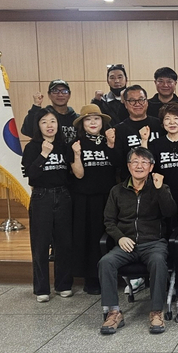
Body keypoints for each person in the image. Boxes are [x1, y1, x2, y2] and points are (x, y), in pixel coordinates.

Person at [99, 147, 177, 335]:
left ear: (151, 167)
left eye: (144, 162)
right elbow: (109, 221)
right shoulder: (117, 191)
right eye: (135, 162)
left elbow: (170, 213)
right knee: (106, 262)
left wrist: (160, 190)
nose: (139, 166)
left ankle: (156, 311)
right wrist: (120, 237)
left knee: (158, 261)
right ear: (128, 166)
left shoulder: (160, 187)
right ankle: (113, 312)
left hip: (153, 243)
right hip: (126, 244)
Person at [21, 108, 73, 302]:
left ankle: (63, 285)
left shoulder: (64, 145)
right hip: (41, 196)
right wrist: (44, 154)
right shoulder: (32, 147)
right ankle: (42, 288)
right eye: (44, 122)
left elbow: (70, 173)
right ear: (38, 126)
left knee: (64, 243)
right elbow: (31, 175)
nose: (49, 125)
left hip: (63, 195)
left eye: (52, 121)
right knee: (40, 244)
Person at [68, 105, 118, 295]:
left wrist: (112, 145)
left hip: (108, 198)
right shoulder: (75, 143)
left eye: (96, 119)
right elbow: (79, 175)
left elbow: (118, 165)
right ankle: (92, 278)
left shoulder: (110, 140)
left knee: (110, 236)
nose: (93, 123)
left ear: (102, 122)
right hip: (85, 200)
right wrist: (77, 154)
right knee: (89, 238)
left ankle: (112, 275)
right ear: (82, 124)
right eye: (88, 120)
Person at [114, 85, 162, 169]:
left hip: (159, 174)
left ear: (147, 102)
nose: (137, 104)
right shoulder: (119, 130)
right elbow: (118, 162)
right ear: (125, 104)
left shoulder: (160, 125)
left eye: (141, 99)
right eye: (132, 100)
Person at [21, 79, 78, 144]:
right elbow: (27, 131)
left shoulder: (77, 119)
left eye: (64, 91)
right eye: (55, 91)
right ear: (49, 95)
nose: (60, 94)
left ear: (69, 95)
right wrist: (36, 106)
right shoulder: (43, 117)